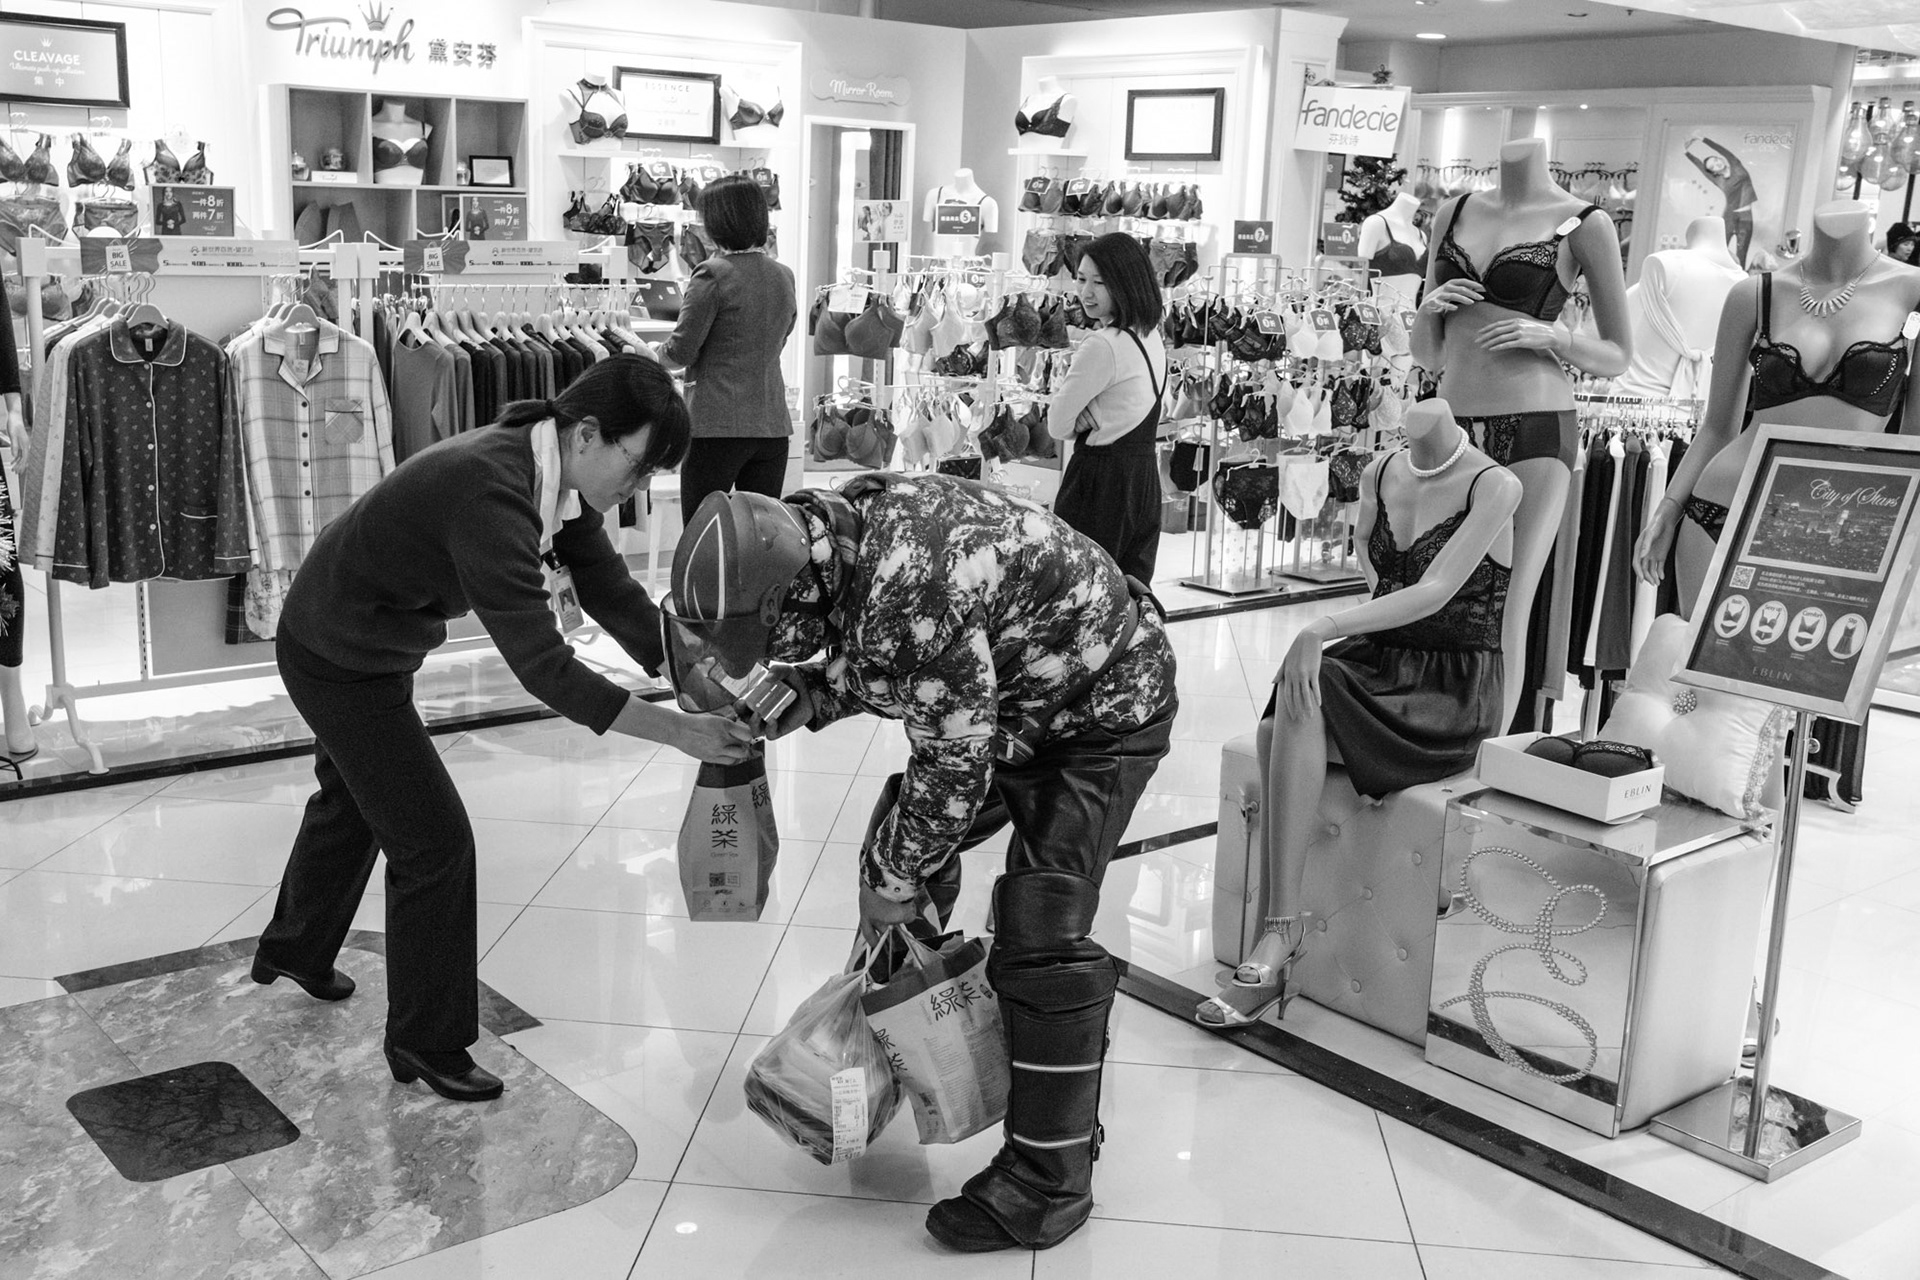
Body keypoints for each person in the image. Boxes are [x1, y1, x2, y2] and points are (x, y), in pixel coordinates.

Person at [662, 474, 1177, 1253]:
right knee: (899, 844)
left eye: (769, 638)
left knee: (1039, 922)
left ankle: (1049, 1179)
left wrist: (892, 884)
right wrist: (807, 694)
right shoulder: (831, 535)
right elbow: (897, 659)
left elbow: (953, 761)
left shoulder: (904, 581)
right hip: (1015, 695)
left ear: (784, 599)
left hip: (1104, 704)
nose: (768, 651)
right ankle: (911, 1051)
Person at [254, 356, 754, 1103]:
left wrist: (691, 674)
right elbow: (543, 666)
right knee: (434, 842)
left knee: (356, 796)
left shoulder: (551, 473)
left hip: (369, 638)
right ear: (589, 434)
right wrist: (679, 733)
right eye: (640, 465)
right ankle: (426, 1041)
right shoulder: (490, 488)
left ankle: (294, 947)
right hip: (336, 651)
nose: (640, 487)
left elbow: (609, 588)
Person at [1197, 401, 1519, 1026]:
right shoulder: (1378, 472)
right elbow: (1378, 580)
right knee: (1280, 720)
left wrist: (1322, 625)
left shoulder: (1496, 485)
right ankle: (1280, 930)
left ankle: (1277, 938)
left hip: (1449, 687)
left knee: (1298, 703)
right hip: (1383, 662)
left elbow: (1435, 592)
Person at [1412, 137, 1630, 732]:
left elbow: (1617, 354)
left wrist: (1557, 338)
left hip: (1535, 422)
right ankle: (1433, 731)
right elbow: (1428, 355)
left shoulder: (1588, 223)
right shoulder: (1452, 214)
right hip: (1451, 424)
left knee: (1510, 600)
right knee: (1439, 587)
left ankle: (1488, 752)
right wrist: (1430, 307)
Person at [1634, 199, 1920, 614]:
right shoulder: (1754, 293)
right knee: (1698, 675)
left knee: (1807, 673)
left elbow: (1913, 442)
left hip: (1843, 523)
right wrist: (1669, 507)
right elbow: (1717, 428)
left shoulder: (1911, 291)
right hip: (1726, 504)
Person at [656, 173, 797, 517]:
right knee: (761, 536)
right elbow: (779, 339)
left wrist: (649, 355)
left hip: (716, 426)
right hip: (772, 426)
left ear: (720, 221)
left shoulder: (712, 273)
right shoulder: (784, 274)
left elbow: (681, 351)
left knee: (703, 534)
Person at [1047, 232, 1169, 582]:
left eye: (1099, 283)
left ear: (1126, 284)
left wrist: (1082, 419)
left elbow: (1057, 424)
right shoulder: (1150, 334)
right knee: (1131, 594)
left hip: (1100, 483)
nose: (1086, 292)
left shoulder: (1102, 345)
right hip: (1144, 477)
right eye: (1082, 279)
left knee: (1081, 592)